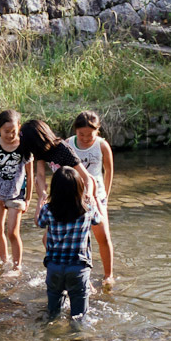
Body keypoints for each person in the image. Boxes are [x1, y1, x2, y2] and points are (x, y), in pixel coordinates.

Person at [21, 118, 113, 284]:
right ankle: (62, 270)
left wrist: (88, 199)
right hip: (63, 197)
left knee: (102, 236)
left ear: (36, 140)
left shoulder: (62, 148)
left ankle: (108, 276)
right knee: (46, 239)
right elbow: (40, 176)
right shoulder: (41, 151)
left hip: (85, 193)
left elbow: (86, 178)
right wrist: (42, 194)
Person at [38, 166, 102, 321]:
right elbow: (98, 219)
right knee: (79, 316)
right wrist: (93, 197)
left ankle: (48, 340)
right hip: (78, 268)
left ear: (55, 190)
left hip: (54, 267)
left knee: (52, 313)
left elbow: (40, 222)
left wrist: (40, 201)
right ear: (79, 188)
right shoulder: (87, 209)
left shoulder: (49, 209)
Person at [66, 111, 115, 282]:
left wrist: (105, 196)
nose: (85, 138)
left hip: (97, 196)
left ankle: (108, 275)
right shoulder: (69, 144)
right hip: (75, 197)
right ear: (75, 131)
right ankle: (81, 274)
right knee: (78, 238)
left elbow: (108, 171)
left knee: (103, 236)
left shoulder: (102, 145)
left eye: (90, 134)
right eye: (81, 134)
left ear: (98, 130)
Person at [0, 109, 33, 275]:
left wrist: (28, 199)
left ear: (19, 128)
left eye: (14, 131)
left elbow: (30, 173)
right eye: (6, 131)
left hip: (17, 193)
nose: (10, 135)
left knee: (12, 231)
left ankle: (16, 266)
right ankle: (4, 260)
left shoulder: (25, 146)